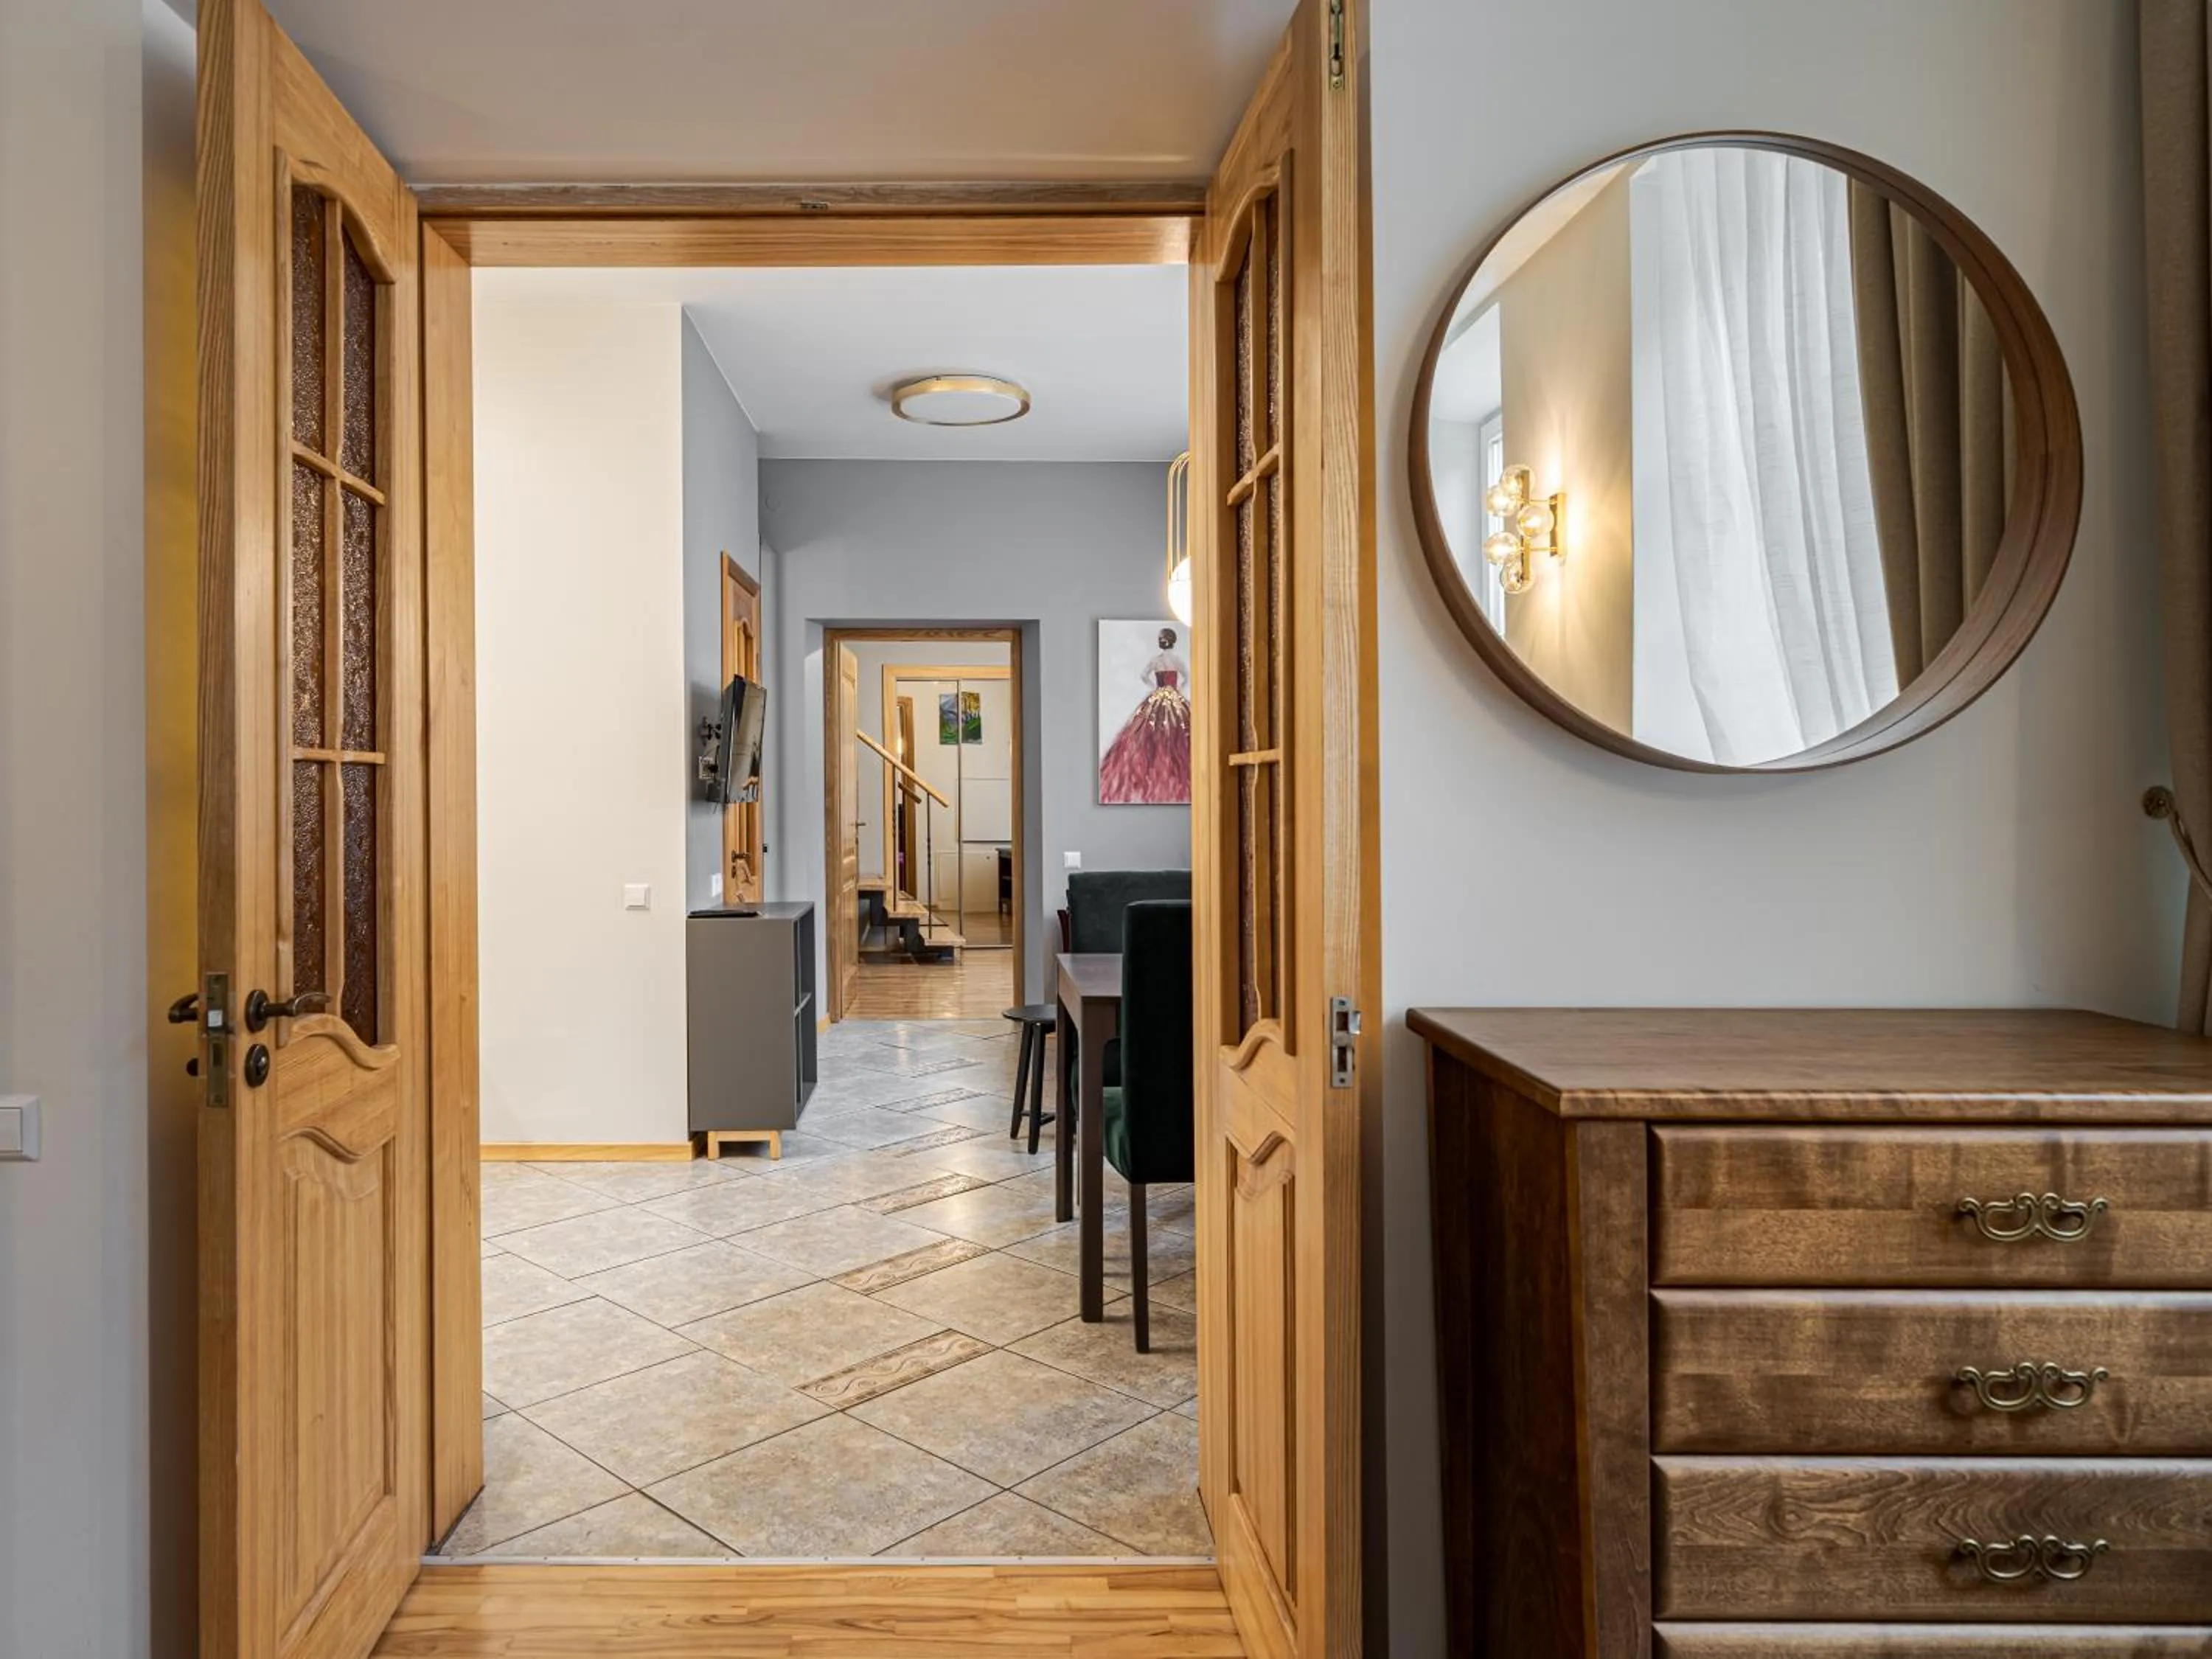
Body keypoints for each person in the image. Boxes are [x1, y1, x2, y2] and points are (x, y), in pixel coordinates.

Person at [1100, 627, 1192, 804]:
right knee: (1177, 732)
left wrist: (1155, 688)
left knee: (1150, 732)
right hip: (1174, 696)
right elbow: (1186, 676)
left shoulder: (1157, 661)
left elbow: (1144, 676)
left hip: (1158, 696)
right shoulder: (1176, 660)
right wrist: (1178, 689)